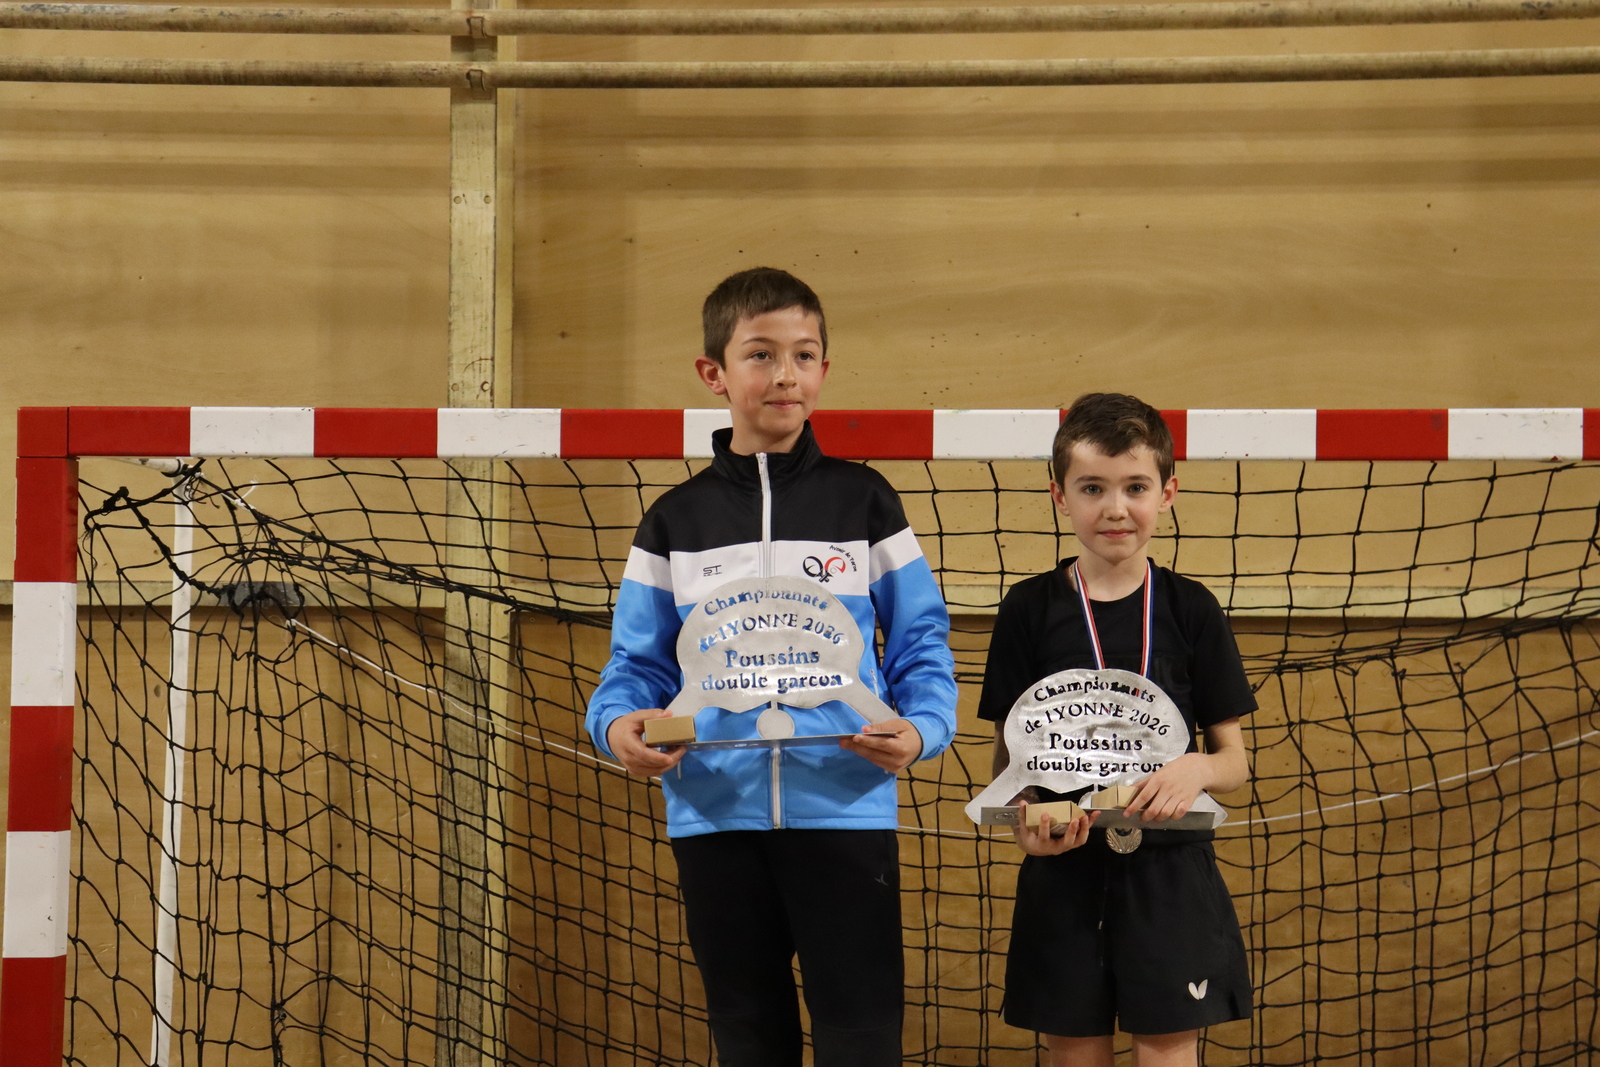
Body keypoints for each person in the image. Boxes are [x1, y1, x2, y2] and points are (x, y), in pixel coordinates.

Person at [585, 267, 958, 1067]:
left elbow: (922, 640)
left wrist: (923, 729)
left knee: (862, 1040)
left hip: (847, 810)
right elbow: (634, 665)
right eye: (760, 354)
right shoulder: (673, 521)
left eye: (803, 354)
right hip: (713, 816)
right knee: (749, 1040)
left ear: (824, 367)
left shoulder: (866, 502)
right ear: (713, 372)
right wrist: (616, 726)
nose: (785, 374)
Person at [978, 392, 1254, 1067]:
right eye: (1092, 487)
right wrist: (1025, 826)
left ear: (1168, 493)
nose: (1115, 508)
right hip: (1064, 872)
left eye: (1135, 487)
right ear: (1059, 496)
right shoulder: (1028, 609)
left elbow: (1235, 764)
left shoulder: (1192, 608)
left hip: (1169, 873)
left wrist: (1196, 767)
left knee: (1166, 1054)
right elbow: (1007, 767)